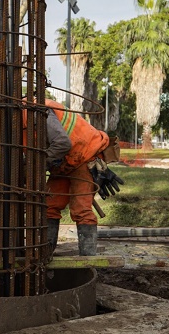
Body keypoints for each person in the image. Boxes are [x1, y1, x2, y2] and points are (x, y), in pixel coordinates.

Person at [41, 99, 124, 256]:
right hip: (62, 162)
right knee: (48, 206)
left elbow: (62, 143)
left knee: (81, 208)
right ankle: (45, 255)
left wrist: (38, 164)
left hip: (84, 156)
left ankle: (87, 259)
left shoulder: (33, 109)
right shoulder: (22, 115)